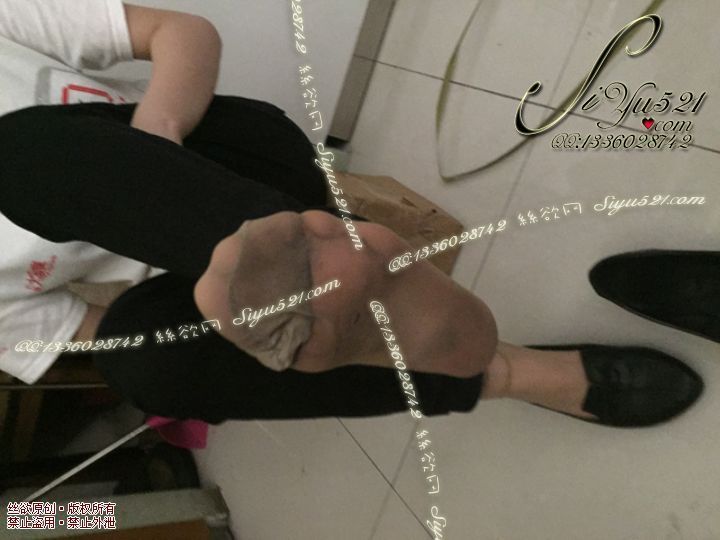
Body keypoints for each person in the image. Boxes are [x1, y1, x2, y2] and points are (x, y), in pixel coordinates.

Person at [0, 0, 702, 428]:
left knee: (19, 157)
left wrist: (153, 152)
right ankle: (499, 369)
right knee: (145, 369)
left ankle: (327, 270)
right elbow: (85, 331)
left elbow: (181, 33)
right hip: (239, 306)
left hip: (234, 175)